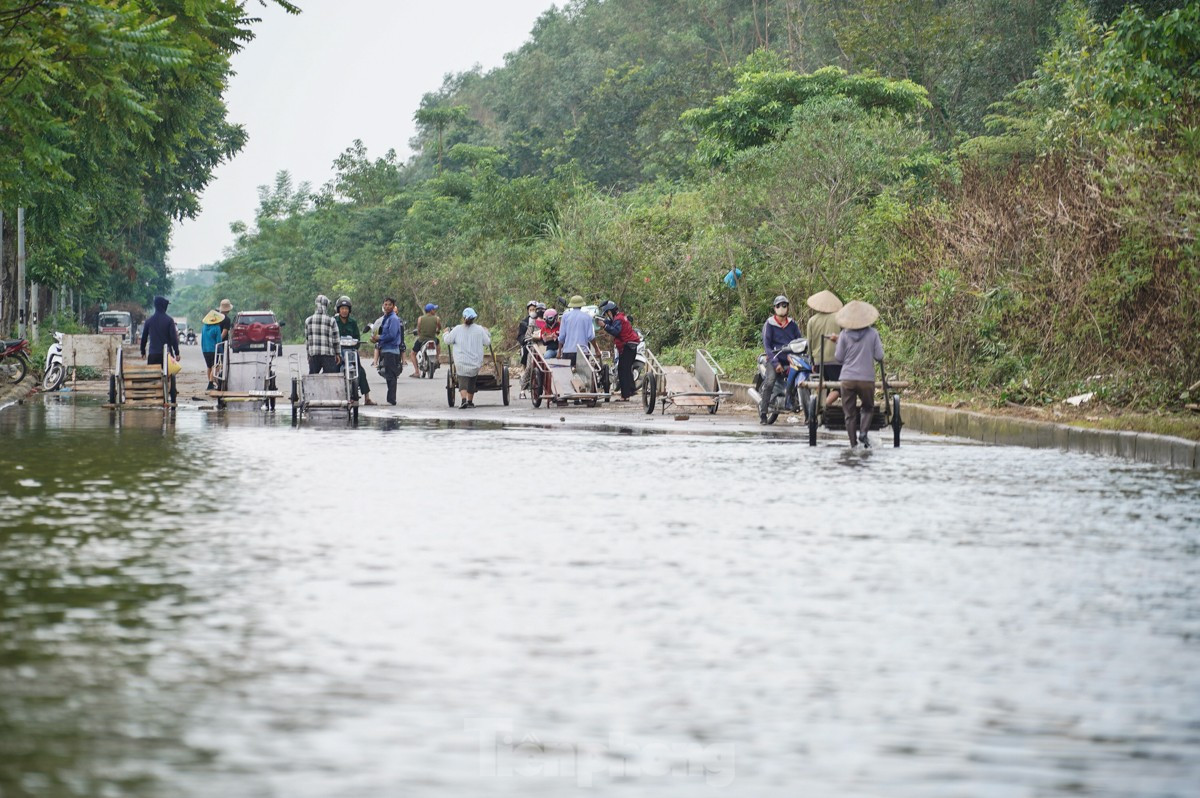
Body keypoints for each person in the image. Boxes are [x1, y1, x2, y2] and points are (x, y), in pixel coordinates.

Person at [834, 300, 884, 449]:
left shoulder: (843, 335)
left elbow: (839, 357)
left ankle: (853, 445)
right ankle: (863, 432)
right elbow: (879, 356)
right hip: (866, 379)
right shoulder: (873, 334)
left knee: (849, 414)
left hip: (847, 379)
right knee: (868, 407)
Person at [759, 294, 802, 424]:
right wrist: (775, 362)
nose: (782, 308)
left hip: (790, 359)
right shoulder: (769, 324)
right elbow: (767, 345)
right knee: (770, 380)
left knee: (801, 379)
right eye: (779, 305)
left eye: (784, 305)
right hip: (773, 359)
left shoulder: (792, 324)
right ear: (774, 308)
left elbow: (799, 341)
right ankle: (763, 412)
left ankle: (793, 403)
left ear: (788, 307)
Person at [443, 307, 491, 408]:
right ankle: (470, 401)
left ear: (463, 317)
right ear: (474, 318)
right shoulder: (479, 329)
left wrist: (446, 332)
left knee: (462, 380)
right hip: (475, 362)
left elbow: (447, 340)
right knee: (472, 380)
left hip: (461, 362)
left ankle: (463, 400)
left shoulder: (457, 329)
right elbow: (487, 342)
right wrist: (487, 332)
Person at [333, 295, 375, 405]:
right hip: (338, 352)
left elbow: (357, 337)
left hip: (351, 351)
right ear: (339, 310)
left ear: (349, 310)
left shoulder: (353, 322)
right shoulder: (334, 321)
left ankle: (367, 398)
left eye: (346, 309)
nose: (344, 311)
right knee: (333, 370)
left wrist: (355, 347)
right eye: (342, 308)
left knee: (360, 370)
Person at [805, 289, 844, 406]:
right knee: (840, 387)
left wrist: (811, 361)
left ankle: (818, 408)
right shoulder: (839, 319)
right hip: (836, 360)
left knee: (822, 387)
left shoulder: (812, 321)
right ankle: (824, 405)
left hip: (818, 360)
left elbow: (809, 343)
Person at [599, 300, 641, 399]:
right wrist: (604, 322)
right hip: (631, 346)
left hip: (628, 346)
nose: (607, 316)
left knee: (623, 370)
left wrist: (604, 326)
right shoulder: (620, 317)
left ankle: (625, 395)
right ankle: (631, 390)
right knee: (626, 368)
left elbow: (616, 331)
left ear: (610, 312)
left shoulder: (618, 319)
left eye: (607, 314)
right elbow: (611, 323)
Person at [374, 297, 403, 405]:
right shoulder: (386, 318)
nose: (387, 306)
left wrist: (379, 338)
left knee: (391, 375)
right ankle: (391, 398)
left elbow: (392, 335)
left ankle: (392, 399)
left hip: (392, 350)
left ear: (393, 306)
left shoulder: (394, 319)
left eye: (389, 305)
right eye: (385, 304)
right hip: (385, 349)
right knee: (388, 374)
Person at [304, 294, 341, 375]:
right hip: (328, 354)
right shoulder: (331, 320)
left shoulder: (308, 320)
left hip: (313, 354)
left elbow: (307, 340)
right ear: (326, 305)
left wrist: (308, 355)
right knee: (330, 378)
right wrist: (338, 354)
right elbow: (336, 339)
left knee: (313, 378)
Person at [140, 295, 180, 367]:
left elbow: (144, 338)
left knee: (154, 376)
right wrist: (177, 353)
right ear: (164, 306)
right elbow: (174, 338)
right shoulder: (169, 320)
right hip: (167, 355)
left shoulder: (149, 321)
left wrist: (143, 352)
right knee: (168, 376)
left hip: (153, 355)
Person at [558, 295, 595, 367]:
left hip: (568, 352)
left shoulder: (565, 316)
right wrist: (596, 349)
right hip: (582, 352)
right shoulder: (587, 317)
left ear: (571, 305)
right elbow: (590, 336)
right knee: (583, 376)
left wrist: (559, 352)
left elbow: (562, 336)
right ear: (581, 305)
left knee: (568, 375)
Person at [409, 302, 442, 377]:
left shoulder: (420, 318)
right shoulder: (437, 318)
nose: (435, 311)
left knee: (413, 353)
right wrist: (437, 331)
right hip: (433, 339)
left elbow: (419, 330)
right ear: (430, 310)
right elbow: (439, 328)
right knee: (438, 343)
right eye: (434, 309)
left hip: (422, 340)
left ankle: (417, 372)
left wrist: (420, 334)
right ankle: (437, 359)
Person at [201, 309, 224, 390]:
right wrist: (221, 352)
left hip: (205, 350)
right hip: (214, 350)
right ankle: (210, 384)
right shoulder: (217, 328)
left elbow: (202, 340)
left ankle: (210, 383)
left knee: (209, 367)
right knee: (215, 366)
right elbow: (219, 342)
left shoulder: (204, 327)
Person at [517, 300, 539, 366]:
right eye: (530, 310)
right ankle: (526, 367)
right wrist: (525, 339)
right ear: (528, 311)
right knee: (526, 350)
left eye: (534, 310)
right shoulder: (524, 322)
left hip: (539, 342)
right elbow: (520, 335)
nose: (532, 311)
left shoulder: (541, 320)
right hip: (529, 343)